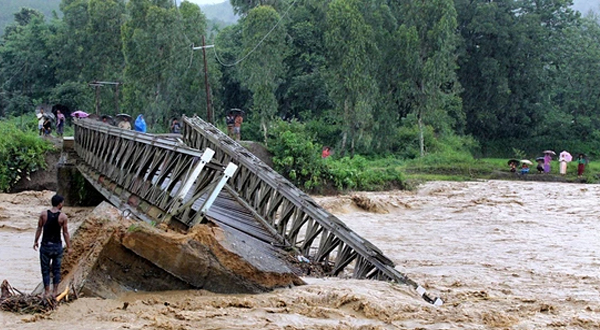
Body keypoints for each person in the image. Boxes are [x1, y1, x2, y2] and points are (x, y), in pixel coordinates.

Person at [33, 194, 70, 299]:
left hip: (45, 246)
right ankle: (55, 292)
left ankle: (47, 292)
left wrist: (35, 241)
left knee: (45, 270)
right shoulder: (63, 217)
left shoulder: (44, 214)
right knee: (56, 270)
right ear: (60, 204)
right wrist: (69, 246)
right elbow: (65, 233)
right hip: (57, 247)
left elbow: (39, 228)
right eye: (62, 203)